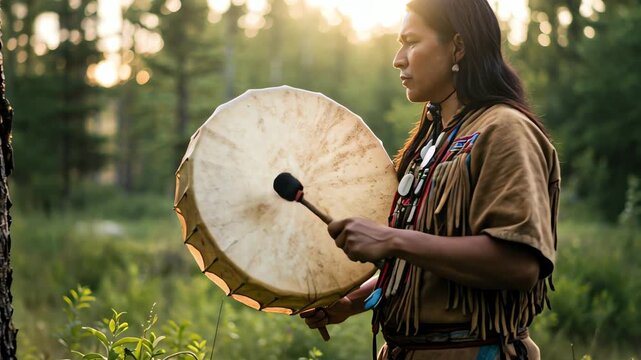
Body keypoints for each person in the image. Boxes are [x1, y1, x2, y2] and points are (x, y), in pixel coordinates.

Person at [300, 0, 561, 359]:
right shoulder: (434, 138)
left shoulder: (504, 131)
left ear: (458, 46)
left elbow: (519, 263)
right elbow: (429, 262)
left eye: (411, 41)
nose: (398, 58)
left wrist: (392, 239)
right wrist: (351, 301)